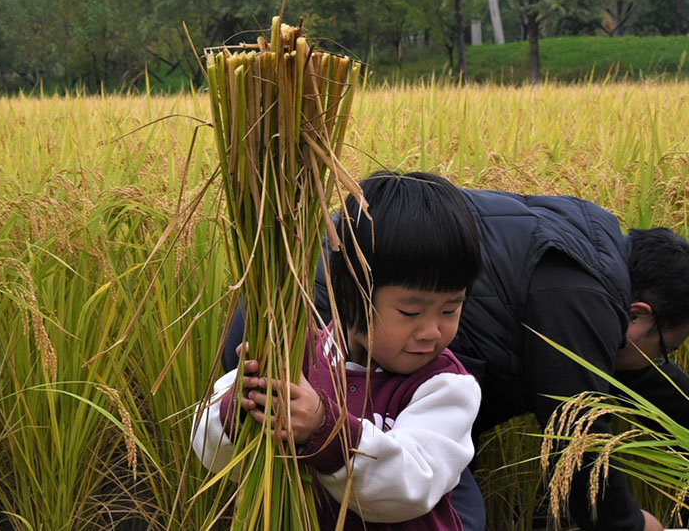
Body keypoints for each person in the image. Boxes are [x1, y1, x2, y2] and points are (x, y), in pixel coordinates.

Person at [222, 175, 689, 531]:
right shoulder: (583, 296)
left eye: (451, 308)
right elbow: (576, 433)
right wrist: (629, 525)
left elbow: (639, 375)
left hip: (287, 308)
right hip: (307, 325)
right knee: (438, 504)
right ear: (637, 314)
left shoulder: (586, 248)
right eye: (666, 349)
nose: (659, 364)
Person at [193, 172, 484, 530]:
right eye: (410, 312)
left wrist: (325, 430)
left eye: (450, 310)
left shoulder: (446, 388)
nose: (432, 331)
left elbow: (412, 485)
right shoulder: (298, 355)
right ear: (349, 296)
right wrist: (245, 403)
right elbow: (209, 449)